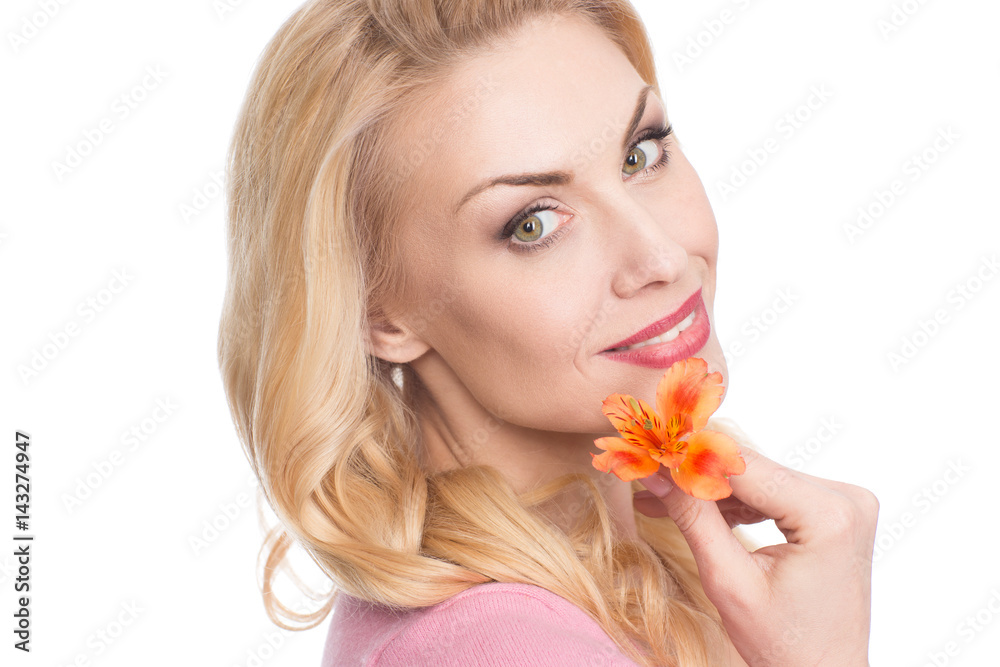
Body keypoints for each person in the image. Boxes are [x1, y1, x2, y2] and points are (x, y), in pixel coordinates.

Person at [217, 1, 880, 664]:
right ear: (377, 312)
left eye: (642, 154)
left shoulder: (610, 584)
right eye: (532, 223)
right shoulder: (500, 647)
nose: (662, 256)